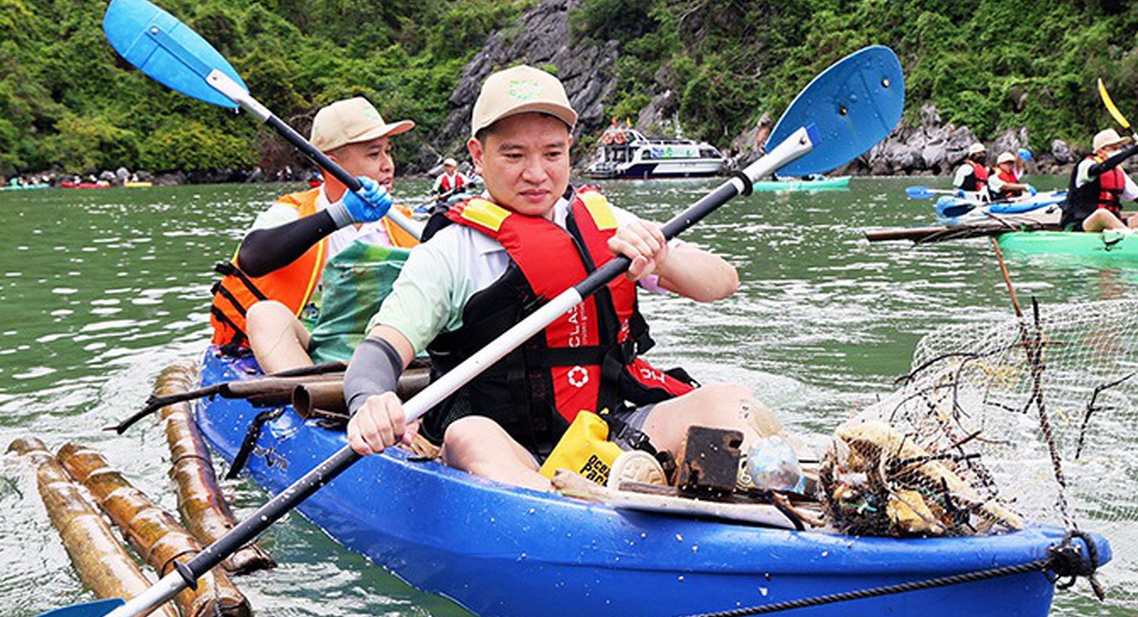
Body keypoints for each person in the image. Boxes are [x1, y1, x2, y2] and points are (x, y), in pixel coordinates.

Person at [342, 65, 768, 491]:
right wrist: (368, 401)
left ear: (569, 148)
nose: (536, 173)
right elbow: (381, 349)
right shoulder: (450, 252)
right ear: (477, 154)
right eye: (514, 155)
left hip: (607, 433)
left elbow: (722, 283)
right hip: (510, 448)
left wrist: (661, 259)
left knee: (729, 401)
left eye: (552, 153)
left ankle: (727, 490)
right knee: (467, 434)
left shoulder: (605, 224)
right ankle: (571, 505)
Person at [209, 96, 420, 373]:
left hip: (386, 344)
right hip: (310, 344)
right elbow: (252, 257)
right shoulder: (292, 213)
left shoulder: (406, 224)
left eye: (388, 152)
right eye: (373, 154)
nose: (388, 165)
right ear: (333, 164)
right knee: (264, 314)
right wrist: (341, 215)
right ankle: (314, 401)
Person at [1060, 129, 1138, 232]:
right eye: (1113, 148)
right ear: (1100, 151)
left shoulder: (1118, 173)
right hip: (1082, 223)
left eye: (1119, 148)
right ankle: (1130, 240)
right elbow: (1101, 168)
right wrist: (1135, 150)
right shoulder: (1086, 165)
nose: (1118, 151)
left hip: (1113, 225)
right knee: (1102, 214)